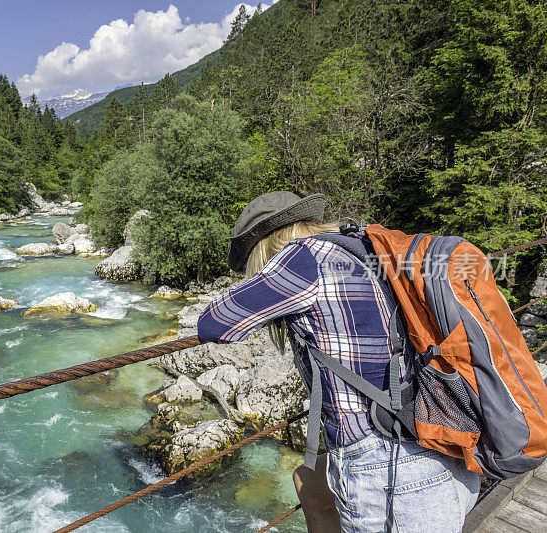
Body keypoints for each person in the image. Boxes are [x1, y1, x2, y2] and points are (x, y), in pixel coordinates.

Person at [196, 191, 480, 532]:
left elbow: (215, 322)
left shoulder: (301, 259)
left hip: (391, 472)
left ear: (262, 247)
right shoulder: (362, 247)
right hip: (443, 443)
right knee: (308, 478)